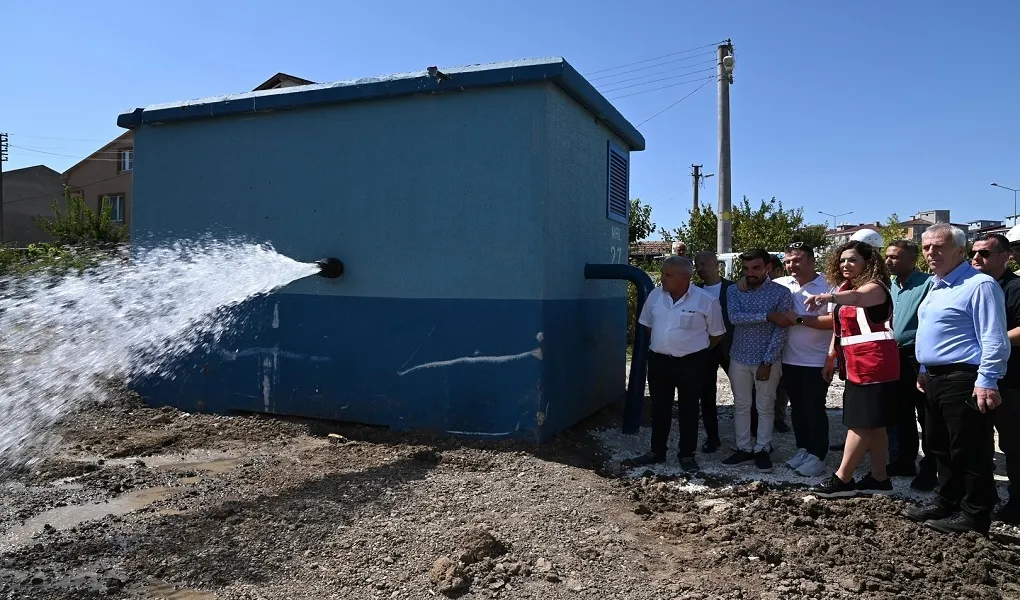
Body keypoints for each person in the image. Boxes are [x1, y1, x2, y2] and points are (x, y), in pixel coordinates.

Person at [906, 224, 1009, 535]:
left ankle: (976, 514)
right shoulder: (938, 286)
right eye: (926, 247)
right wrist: (925, 369)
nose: (931, 253)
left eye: (939, 247)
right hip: (935, 378)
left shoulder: (979, 286)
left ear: (959, 251)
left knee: (969, 449)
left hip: (964, 377)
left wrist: (988, 380)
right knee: (939, 446)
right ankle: (948, 500)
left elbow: (994, 338)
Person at [804, 240, 900, 499]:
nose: (845, 264)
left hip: (875, 365)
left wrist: (829, 296)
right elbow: (841, 328)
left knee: (860, 423)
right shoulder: (847, 287)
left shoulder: (875, 288)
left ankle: (842, 478)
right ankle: (880, 478)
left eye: (853, 260)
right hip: (857, 363)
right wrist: (831, 355)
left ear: (868, 263)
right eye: (843, 259)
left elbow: (858, 299)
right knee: (875, 424)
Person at [622, 255, 726, 472]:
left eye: (668, 275)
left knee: (689, 409)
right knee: (660, 408)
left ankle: (687, 455)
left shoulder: (706, 300)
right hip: (660, 361)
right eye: (663, 273)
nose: (663, 278)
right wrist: (666, 344)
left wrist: (693, 350)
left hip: (692, 363)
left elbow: (716, 335)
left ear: (684, 277)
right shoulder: (655, 296)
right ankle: (657, 452)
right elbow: (648, 325)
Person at [722, 249, 793, 473]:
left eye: (756, 268)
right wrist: (767, 316)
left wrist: (768, 361)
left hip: (767, 359)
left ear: (768, 267)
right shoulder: (734, 290)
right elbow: (735, 318)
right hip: (739, 357)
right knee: (741, 405)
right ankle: (743, 448)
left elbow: (782, 329)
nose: (750, 273)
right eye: (745, 269)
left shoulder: (782, 293)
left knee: (765, 406)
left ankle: (762, 448)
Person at [769, 241, 834, 477]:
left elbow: (835, 321)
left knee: (814, 408)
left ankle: (818, 456)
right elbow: (756, 289)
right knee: (796, 408)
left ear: (811, 260)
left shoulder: (828, 286)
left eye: (796, 260)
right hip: (789, 359)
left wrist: (798, 319)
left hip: (816, 360)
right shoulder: (782, 284)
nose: (791, 265)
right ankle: (804, 449)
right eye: (787, 261)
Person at [969, 232, 1020, 524]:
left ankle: (1017, 502)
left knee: (1013, 445)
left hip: (1011, 381)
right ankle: (982, 497)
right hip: (974, 379)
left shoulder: (1014, 288)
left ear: (1005, 256)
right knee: (977, 442)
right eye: (974, 253)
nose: (976, 258)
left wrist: (989, 342)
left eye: (985, 254)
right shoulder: (972, 287)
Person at [884, 239, 938, 491]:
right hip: (894, 356)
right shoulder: (890, 285)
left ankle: (931, 468)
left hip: (917, 358)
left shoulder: (928, 284)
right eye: (888, 256)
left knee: (926, 414)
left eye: (895, 256)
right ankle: (904, 460)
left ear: (912, 260)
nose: (889, 260)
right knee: (899, 412)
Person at [694, 250, 734, 453]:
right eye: (697, 265)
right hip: (705, 349)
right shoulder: (694, 291)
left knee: (744, 393)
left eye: (703, 264)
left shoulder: (734, 289)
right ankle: (712, 437)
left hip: (731, 348)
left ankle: (753, 434)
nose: (699, 269)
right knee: (706, 395)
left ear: (715, 264)